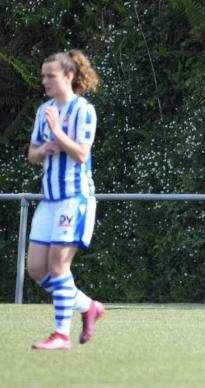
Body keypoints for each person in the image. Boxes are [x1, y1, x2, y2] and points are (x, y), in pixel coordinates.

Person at [26, 50, 104, 350]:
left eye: (51, 76)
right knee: (36, 269)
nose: (44, 81)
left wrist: (58, 132)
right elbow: (32, 153)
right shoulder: (44, 109)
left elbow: (82, 154)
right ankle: (87, 306)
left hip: (74, 198)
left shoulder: (83, 110)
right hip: (49, 200)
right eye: (44, 75)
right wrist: (43, 149)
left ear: (68, 77)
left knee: (58, 266)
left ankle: (61, 334)